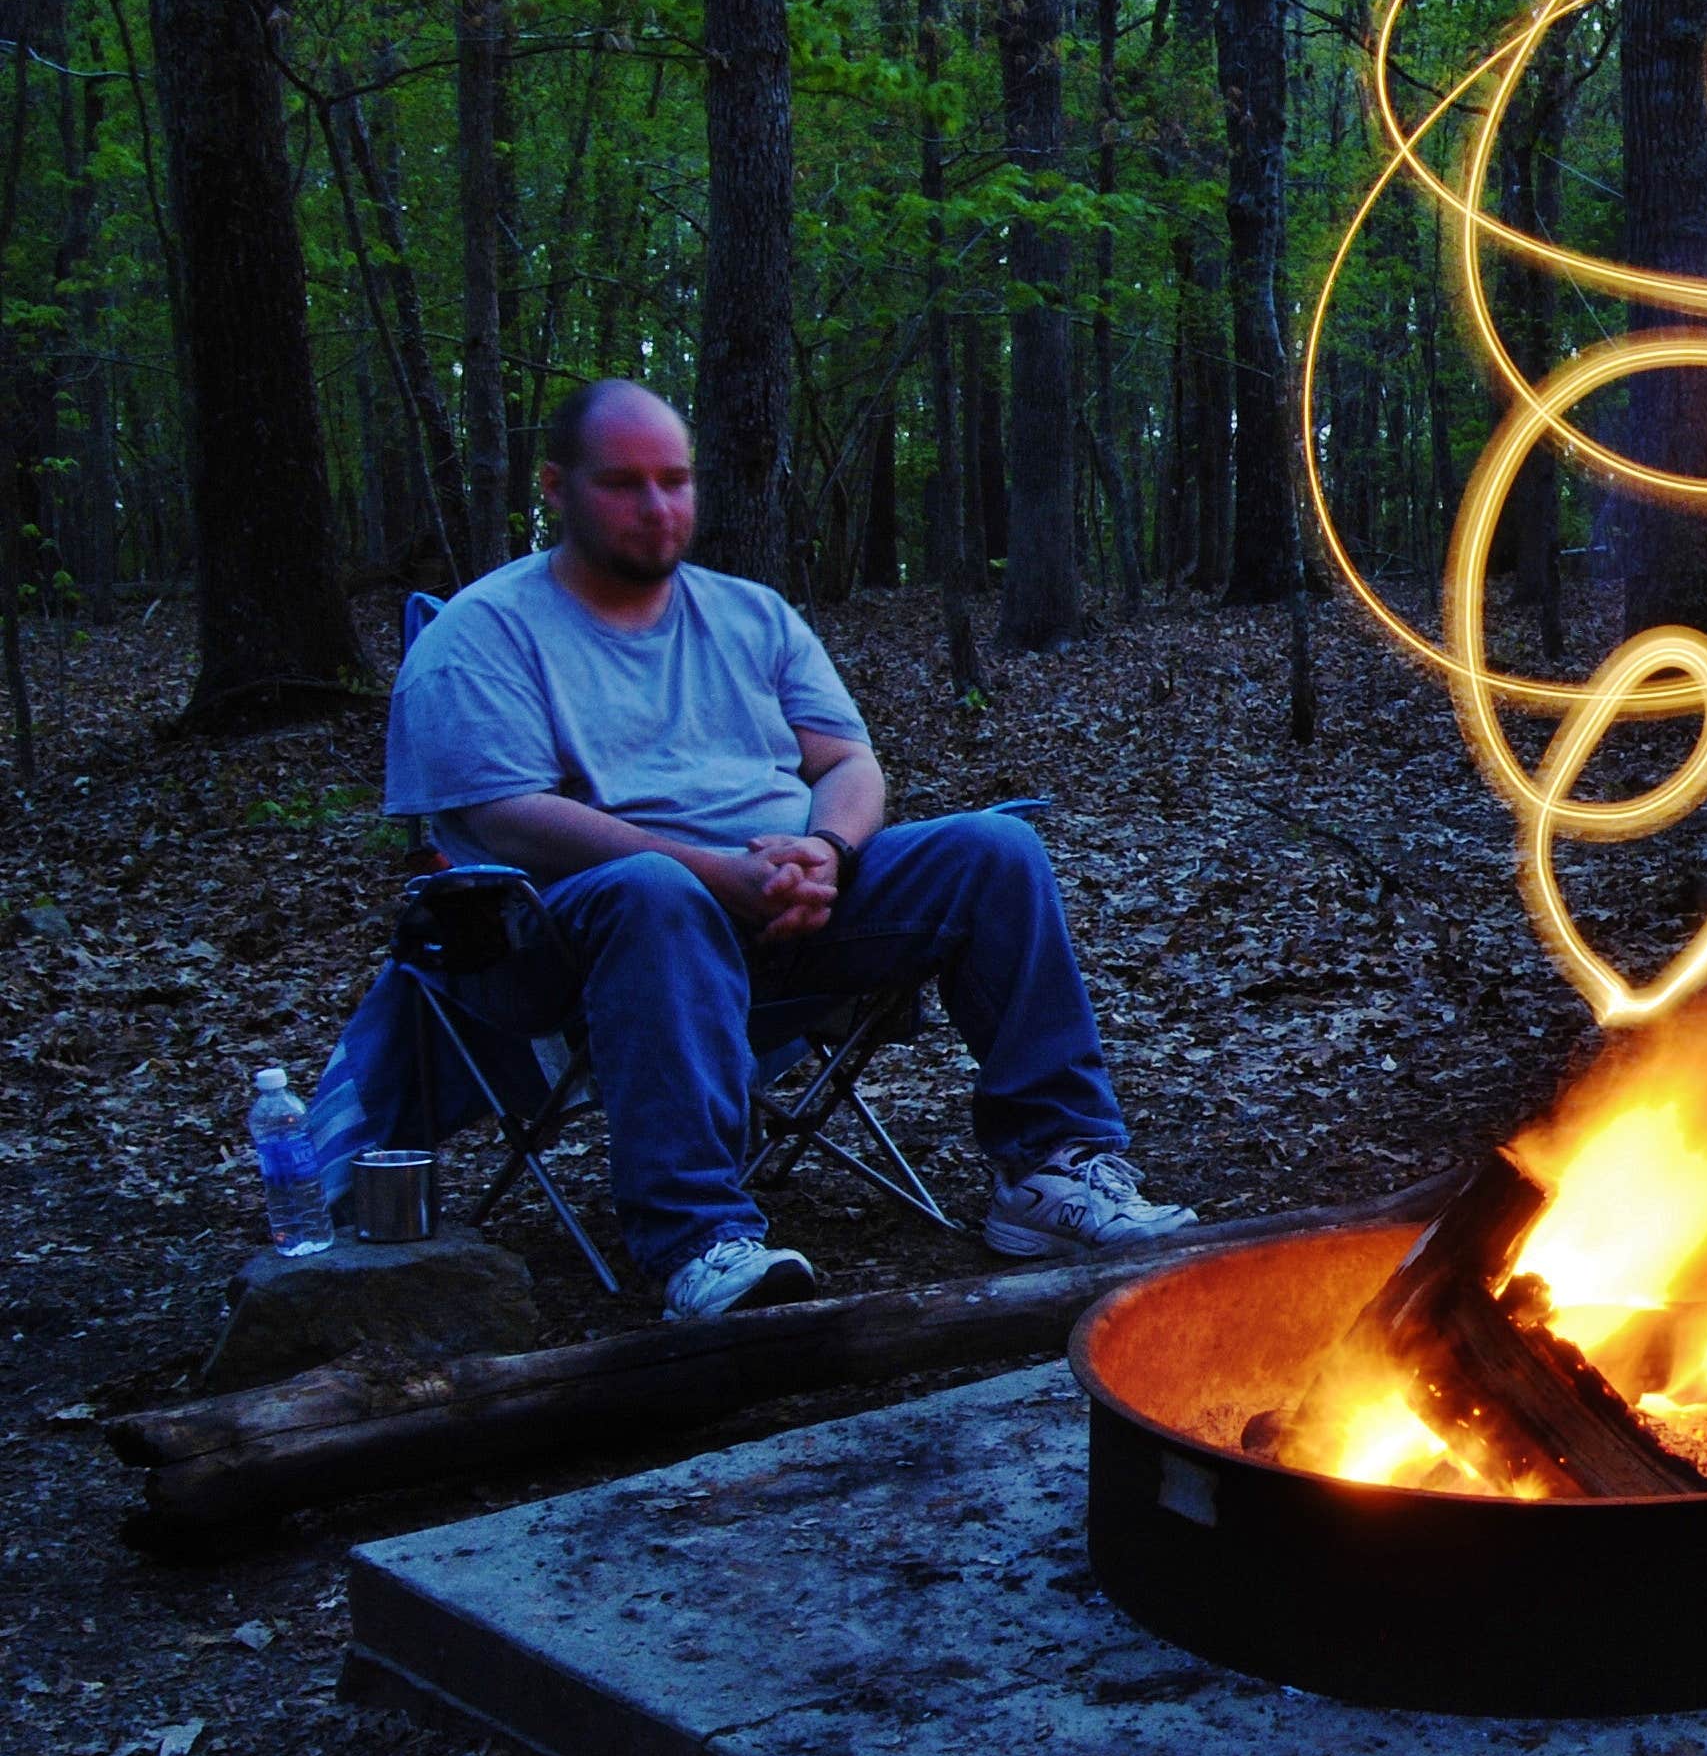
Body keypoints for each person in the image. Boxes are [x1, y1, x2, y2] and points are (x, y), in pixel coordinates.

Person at [377, 377, 1195, 1319]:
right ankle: (698, 1237)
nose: (657, 508)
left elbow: (848, 758)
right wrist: (722, 877)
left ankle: (1050, 1171)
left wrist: (829, 855)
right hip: (572, 944)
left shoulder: (751, 615)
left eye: (675, 481)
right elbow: (507, 815)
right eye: (623, 484)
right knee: (652, 889)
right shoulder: (484, 634)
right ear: (555, 488)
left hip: (786, 903)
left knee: (993, 849)